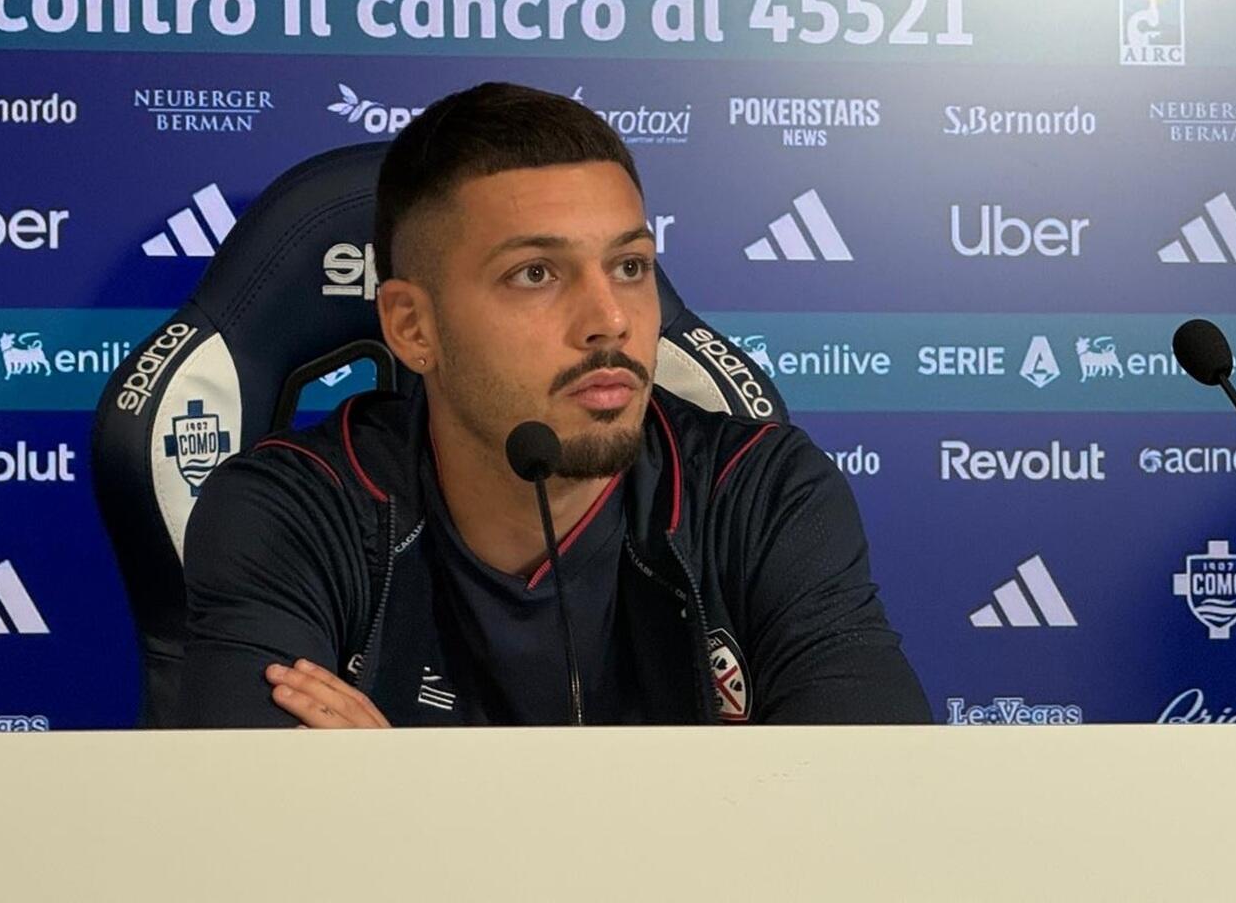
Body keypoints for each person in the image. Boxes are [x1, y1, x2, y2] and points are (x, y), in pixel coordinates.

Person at [178, 82, 929, 727]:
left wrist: (391, 786)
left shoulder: (762, 492)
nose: (612, 319)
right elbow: (262, 825)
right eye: (536, 273)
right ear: (413, 327)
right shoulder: (291, 510)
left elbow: (869, 804)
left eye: (630, 266)